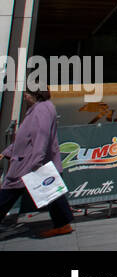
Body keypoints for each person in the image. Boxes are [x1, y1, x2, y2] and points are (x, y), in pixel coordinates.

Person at [0, 88, 75, 238]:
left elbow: (41, 137)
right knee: (52, 193)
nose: (25, 96)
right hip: (31, 160)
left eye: (27, 93)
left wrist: (36, 162)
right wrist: (8, 151)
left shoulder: (41, 110)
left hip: (28, 162)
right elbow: (26, 137)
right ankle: (63, 224)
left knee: (8, 194)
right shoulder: (42, 108)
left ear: (34, 95)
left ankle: (63, 224)